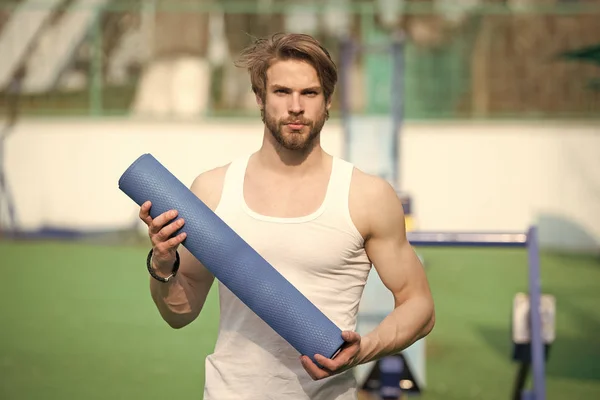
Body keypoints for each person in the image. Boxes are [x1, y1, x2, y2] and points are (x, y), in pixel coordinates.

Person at [138, 32, 435, 400]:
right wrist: (163, 265)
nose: (296, 106)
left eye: (309, 93)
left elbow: (419, 305)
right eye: (281, 92)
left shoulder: (366, 196)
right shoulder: (213, 190)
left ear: (327, 101)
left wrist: (365, 348)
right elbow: (180, 312)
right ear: (260, 98)